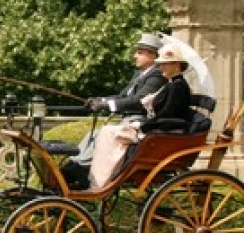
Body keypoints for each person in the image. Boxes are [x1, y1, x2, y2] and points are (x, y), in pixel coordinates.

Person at [61, 32, 166, 189]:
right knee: (94, 133)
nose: (135, 56)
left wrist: (107, 106)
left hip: (139, 122)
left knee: (104, 134)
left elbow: (137, 102)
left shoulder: (156, 76)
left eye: (139, 52)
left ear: (152, 55)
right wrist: (100, 100)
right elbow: (122, 96)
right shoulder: (140, 74)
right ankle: (75, 163)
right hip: (128, 120)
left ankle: (80, 169)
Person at [85, 43, 193, 190]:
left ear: (177, 65)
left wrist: (144, 124)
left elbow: (167, 114)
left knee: (108, 132)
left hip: (164, 131)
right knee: (107, 132)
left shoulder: (178, 86)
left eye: (165, 65)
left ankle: (101, 181)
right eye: (160, 64)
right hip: (158, 127)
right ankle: (100, 177)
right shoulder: (171, 84)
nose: (161, 68)